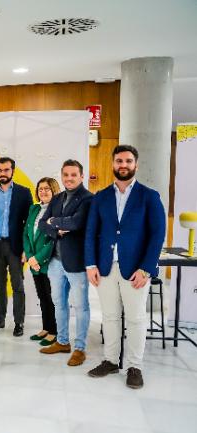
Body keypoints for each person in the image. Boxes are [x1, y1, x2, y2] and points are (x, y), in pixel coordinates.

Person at [85, 145, 166, 389]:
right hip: (106, 267)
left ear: (136, 165)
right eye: (119, 160)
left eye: (128, 161)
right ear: (113, 164)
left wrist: (146, 268)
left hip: (135, 270)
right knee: (109, 317)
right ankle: (110, 361)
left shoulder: (149, 196)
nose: (123, 165)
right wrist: (90, 264)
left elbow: (157, 234)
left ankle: (134, 366)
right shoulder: (100, 197)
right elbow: (91, 232)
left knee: (136, 319)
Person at [38, 160, 93, 366]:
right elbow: (43, 224)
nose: (69, 178)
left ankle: (80, 348)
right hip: (55, 261)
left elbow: (77, 222)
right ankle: (62, 342)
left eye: (73, 174)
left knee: (81, 306)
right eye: (66, 174)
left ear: (81, 176)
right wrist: (56, 226)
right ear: (61, 176)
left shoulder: (88, 199)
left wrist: (56, 221)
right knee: (59, 303)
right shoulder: (58, 198)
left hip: (77, 262)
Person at [0, 157, 33, 337]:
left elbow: (29, 223)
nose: (2, 174)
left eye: (5, 170)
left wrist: (26, 250)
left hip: (15, 247)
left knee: (18, 286)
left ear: (13, 171)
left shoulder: (24, 193)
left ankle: (19, 322)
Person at [23, 177, 61, 346]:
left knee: (51, 297)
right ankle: (46, 328)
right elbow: (26, 233)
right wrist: (30, 256)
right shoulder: (34, 208)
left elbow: (53, 240)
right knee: (42, 296)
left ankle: (54, 332)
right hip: (34, 262)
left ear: (54, 190)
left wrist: (37, 258)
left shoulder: (58, 211)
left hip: (49, 262)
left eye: (47, 188)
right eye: (40, 189)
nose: (43, 192)